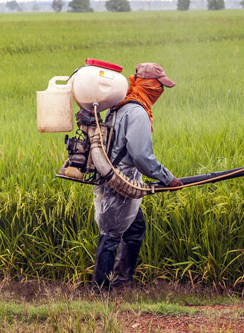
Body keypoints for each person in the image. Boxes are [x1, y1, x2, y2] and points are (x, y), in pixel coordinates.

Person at [78, 62, 183, 289]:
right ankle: (101, 290)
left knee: (134, 229)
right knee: (111, 235)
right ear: (148, 84)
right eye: (159, 85)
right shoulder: (137, 112)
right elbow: (141, 156)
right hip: (120, 182)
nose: (160, 91)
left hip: (116, 177)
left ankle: (121, 282)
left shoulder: (120, 106)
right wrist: (167, 178)